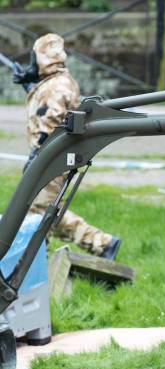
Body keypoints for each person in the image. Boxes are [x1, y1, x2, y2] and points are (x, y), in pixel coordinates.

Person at [13, 33, 121, 260]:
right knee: (49, 212)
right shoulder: (54, 83)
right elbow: (44, 108)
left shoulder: (58, 86)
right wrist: (29, 83)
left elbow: (51, 123)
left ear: (42, 58)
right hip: (52, 157)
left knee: (38, 214)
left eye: (34, 59)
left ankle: (30, 265)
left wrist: (37, 157)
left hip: (52, 158)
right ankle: (103, 244)